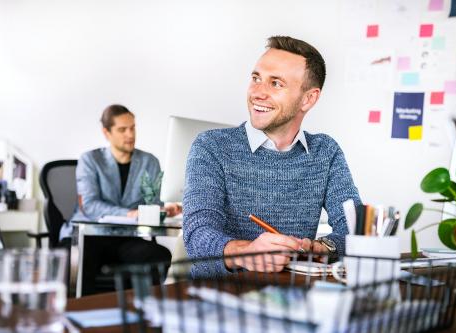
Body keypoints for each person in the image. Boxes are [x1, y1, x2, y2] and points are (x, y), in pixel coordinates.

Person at [183, 36, 361, 277]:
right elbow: (197, 234)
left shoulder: (325, 152)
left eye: (276, 84)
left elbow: (355, 229)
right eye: (256, 78)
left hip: (293, 298)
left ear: (308, 99)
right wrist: (247, 253)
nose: (258, 92)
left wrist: (323, 248)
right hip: (218, 298)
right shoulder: (212, 146)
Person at [60, 104, 180, 294]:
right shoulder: (90, 160)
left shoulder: (149, 162)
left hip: (125, 237)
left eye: (133, 127)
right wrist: (130, 213)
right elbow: (89, 206)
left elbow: (151, 204)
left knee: (159, 255)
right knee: (77, 258)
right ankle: (85, 316)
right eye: (122, 129)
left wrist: (165, 209)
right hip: (88, 236)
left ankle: (143, 315)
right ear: (106, 133)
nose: (130, 134)